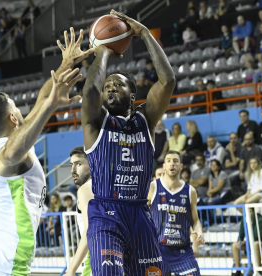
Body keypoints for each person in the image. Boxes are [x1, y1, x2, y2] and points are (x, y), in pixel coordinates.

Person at [0, 28, 92, 276]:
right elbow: (11, 154)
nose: (22, 111)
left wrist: (65, 64)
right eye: (17, 108)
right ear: (12, 117)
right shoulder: (6, 154)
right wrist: (51, 105)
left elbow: (41, 99)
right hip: (2, 265)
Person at [81, 9, 175, 275]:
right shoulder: (96, 122)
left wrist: (144, 33)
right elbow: (89, 91)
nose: (110, 87)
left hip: (139, 214)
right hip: (105, 213)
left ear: (133, 95)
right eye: (107, 84)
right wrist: (104, 51)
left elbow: (167, 81)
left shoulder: (146, 119)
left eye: (118, 85)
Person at [148, 151, 205, 276]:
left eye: (175, 161)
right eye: (168, 161)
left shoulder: (190, 191)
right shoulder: (153, 187)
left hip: (182, 251)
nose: (172, 164)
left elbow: (195, 220)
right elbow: (142, 215)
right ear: (164, 166)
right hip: (157, 250)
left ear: (181, 166)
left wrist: (199, 231)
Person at [64, 147, 94, 276]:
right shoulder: (108, 187)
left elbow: (90, 231)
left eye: (79, 164)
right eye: (71, 165)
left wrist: (71, 270)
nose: (73, 170)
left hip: (95, 259)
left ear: (92, 164)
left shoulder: (85, 189)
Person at [232, 208, 262, 276]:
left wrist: (246, 241)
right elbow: (241, 235)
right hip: (249, 243)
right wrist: (240, 242)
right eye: (247, 212)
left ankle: (258, 270)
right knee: (235, 245)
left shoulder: (260, 220)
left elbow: (260, 236)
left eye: (250, 211)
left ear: (253, 212)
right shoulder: (244, 220)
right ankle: (238, 270)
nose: (248, 214)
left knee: (255, 244)